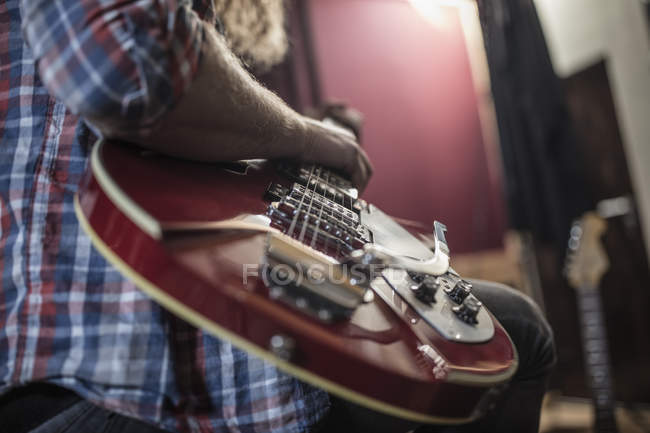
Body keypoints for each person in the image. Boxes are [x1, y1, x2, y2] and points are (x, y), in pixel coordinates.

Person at [0, 0, 555, 432]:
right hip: (120, 375)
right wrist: (313, 140)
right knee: (517, 335)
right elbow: (120, 60)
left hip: (131, 357)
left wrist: (289, 140)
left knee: (503, 332)